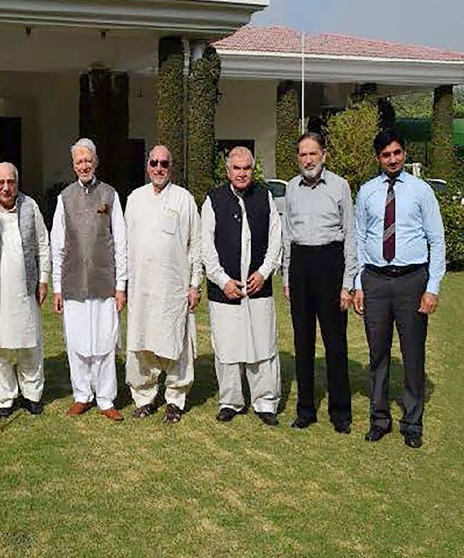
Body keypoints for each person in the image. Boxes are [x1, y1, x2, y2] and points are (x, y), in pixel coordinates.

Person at [353, 128, 446, 449]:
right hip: (376, 282)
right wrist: (358, 284)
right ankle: (379, 419)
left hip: (411, 281)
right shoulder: (366, 192)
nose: (392, 160)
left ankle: (412, 422)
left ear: (404, 153)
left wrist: (432, 288)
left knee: (413, 354)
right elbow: (360, 238)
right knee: (377, 354)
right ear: (378, 158)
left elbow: (437, 240)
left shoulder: (421, 191)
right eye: (386, 155)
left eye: (396, 153)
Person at [201, 146, 283, 426]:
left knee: (263, 345)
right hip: (225, 289)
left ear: (253, 169)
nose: (241, 173)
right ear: (228, 171)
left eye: (246, 168)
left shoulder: (265, 196)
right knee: (227, 347)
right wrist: (222, 280)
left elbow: (276, 239)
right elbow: (206, 247)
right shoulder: (213, 200)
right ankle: (230, 402)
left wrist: (264, 272)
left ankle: (265, 401)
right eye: (236, 168)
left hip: (258, 286)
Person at [282, 131, 357, 433]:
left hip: (330, 262)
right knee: (302, 341)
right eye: (303, 154)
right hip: (301, 264)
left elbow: (350, 235)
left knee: (335, 342)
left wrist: (348, 283)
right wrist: (287, 276)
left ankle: (340, 412)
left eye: (313, 153)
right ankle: (305, 410)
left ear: (324, 155)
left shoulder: (340, 186)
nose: (308, 159)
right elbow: (287, 235)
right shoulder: (291, 188)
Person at [50, 138, 127, 421]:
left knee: (105, 341)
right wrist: (57, 287)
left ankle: (106, 398)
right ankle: (82, 395)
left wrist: (121, 286)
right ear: (74, 166)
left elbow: (121, 241)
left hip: (104, 282)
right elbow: (57, 244)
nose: (84, 166)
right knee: (77, 342)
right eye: (79, 161)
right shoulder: (65, 198)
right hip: (73, 283)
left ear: (96, 162)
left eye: (88, 160)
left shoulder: (109, 195)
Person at [124, 144, 201, 424]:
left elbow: (196, 244)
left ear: (171, 167)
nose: (159, 168)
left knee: (175, 343)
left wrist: (195, 284)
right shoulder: (135, 199)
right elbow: (125, 245)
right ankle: (144, 397)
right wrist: (123, 284)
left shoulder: (184, 200)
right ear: (147, 166)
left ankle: (175, 399)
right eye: (154, 163)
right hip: (142, 287)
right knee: (141, 343)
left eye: (164, 164)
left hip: (173, 288)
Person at [0, 162, 51, 418]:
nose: (6, 188)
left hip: (26, 289)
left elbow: (43, 244)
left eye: (11, 182)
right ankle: (4, 397)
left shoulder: (30, 206)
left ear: (17, 183)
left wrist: (43, 279)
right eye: (1, 182)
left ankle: (32, 394)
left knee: (30, 344)